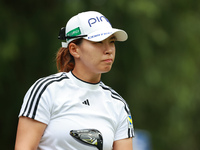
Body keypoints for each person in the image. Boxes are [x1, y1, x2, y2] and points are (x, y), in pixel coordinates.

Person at [15, 11, 134, 150]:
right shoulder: (46, 90)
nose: (109, 50)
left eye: (111, 41)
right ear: (74, 49)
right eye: (98, 42)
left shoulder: (118, 105)